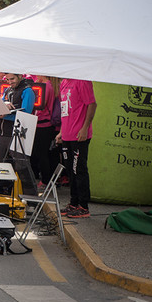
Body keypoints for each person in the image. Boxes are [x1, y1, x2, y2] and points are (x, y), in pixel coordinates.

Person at [57, 77, 96, 219]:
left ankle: (83, 206)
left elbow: (92, 105)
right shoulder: (63, 83)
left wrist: (85, 128)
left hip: (79, 135)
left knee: (78, 169)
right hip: (67, 134)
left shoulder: (82, 81)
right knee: (70, 171)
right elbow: (64, 110)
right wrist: (61, 131)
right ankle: (73, 203)